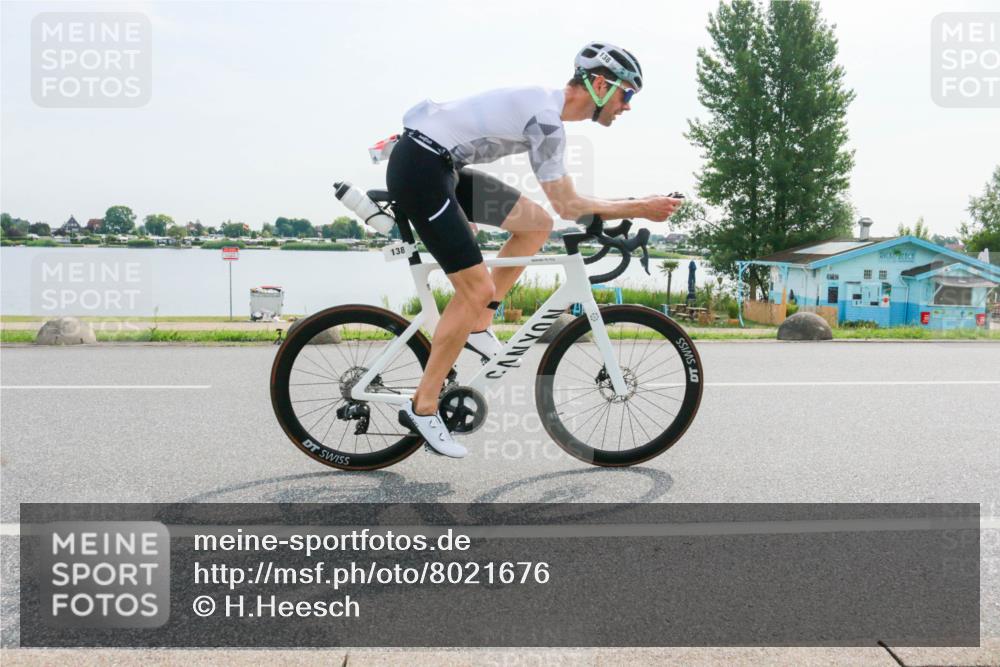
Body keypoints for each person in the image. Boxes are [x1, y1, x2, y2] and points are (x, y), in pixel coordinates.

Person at [387, 41, 683, 458]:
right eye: (627, 93)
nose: (627, 106)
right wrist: (641, 207)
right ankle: (424, 406)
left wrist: (620, 211)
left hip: (441, 167)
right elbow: (570, 205)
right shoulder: (545, 120)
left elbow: (559, 210)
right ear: (600, 84)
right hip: (421, 168)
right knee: (473, 289)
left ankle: (478, 325)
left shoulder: (546, 112)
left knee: (535, 224)